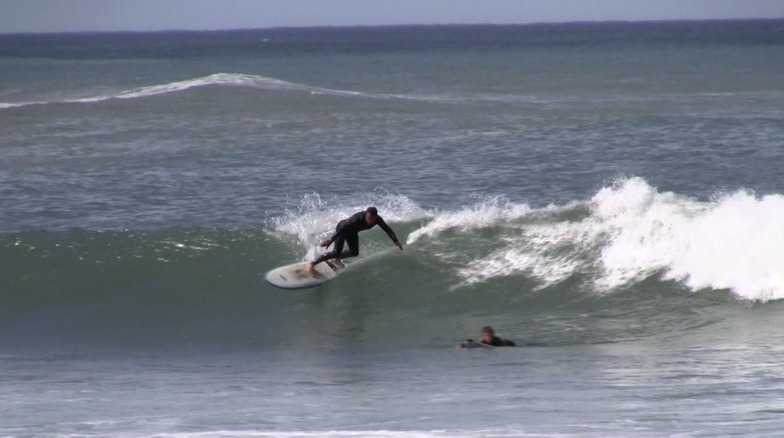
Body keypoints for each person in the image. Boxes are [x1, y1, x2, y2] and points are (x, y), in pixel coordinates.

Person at [306, 206, 403, 276]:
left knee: (354, 252)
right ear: (365, 215)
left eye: (372, 219)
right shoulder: (357, 219)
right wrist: (331, 240)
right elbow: (343, 227)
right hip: (342, 229)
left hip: (352, 231)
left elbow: (387, 229)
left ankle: (336, 259)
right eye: (369, 218)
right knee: (336, 252)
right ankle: (312, 263)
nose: (370, 221)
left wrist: (395, 241)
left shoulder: (377, 219)